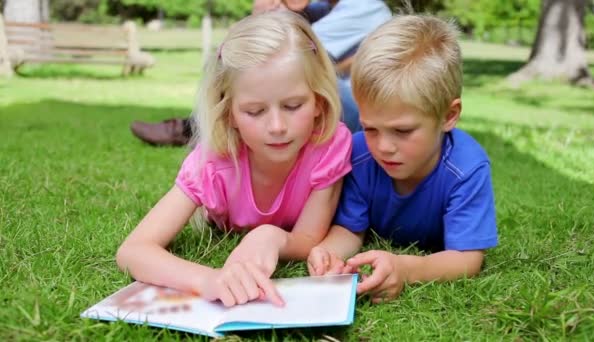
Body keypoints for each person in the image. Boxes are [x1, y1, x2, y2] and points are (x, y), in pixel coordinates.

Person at [116, 10, 353, 308]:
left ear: (319, 101)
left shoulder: (328, 146)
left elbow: (308, 238)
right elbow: (133, 251)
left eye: (293, 105)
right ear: (229, 114)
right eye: (255, 111)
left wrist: (270, 237)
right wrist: (207, 280)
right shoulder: (211, 165)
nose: (277, 126)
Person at [307, 14, 499, 303]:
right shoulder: (359, 153)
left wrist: (407, 268)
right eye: (370, 127)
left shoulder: (466, 168)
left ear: (448, 116)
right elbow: (350, 228)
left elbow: (467, 258)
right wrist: (328, 254)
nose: (383, 146)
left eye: (402, 130)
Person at [130, 0, 391, 146]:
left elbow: (286, 56)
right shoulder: (323, 8)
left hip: (360, 108)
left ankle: (195, 128)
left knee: (279, 76)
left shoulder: (364, 5)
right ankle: (204, 126)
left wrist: (271, 17)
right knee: (236, 68)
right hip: (342, 100)